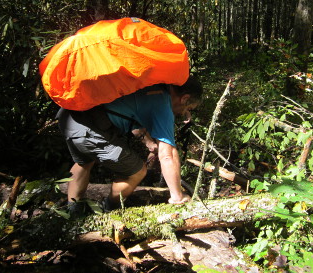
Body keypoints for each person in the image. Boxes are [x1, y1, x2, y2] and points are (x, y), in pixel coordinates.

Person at [56, 76, 203, 213]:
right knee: (137, 171)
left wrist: (149, 142)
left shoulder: (148, 85)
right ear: (184, 98)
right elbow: (168, 155)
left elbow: (131, 117)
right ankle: (107, 211)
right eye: (188, 109)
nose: (185, 113)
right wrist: (178, 196)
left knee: (83, 163)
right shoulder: (162, 102)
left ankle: (72, 211)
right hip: (88, 127)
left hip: (70, 116)